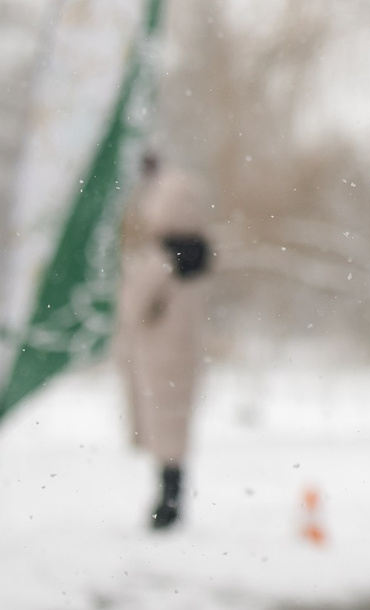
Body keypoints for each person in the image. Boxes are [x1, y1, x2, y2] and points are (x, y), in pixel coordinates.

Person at [115, 152, 212, 530]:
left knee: (161, 428)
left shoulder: (160, 261)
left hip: (157, 355)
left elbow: (133, 306)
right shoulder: (201, 257)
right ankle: (173, 496)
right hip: (188, 354)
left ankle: (166, 504)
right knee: (176, 429)